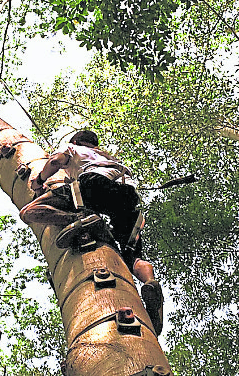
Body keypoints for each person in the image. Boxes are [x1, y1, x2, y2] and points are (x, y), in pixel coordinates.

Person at [19, 130, 163, 335]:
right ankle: (150, 283)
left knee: (29, 212)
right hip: (129, 197)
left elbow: (56, 161)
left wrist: (39, 180)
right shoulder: (108, 156)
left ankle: (76, 219)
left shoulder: (74, 148)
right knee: (134, 257)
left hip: (94, 185)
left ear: (76, 141)